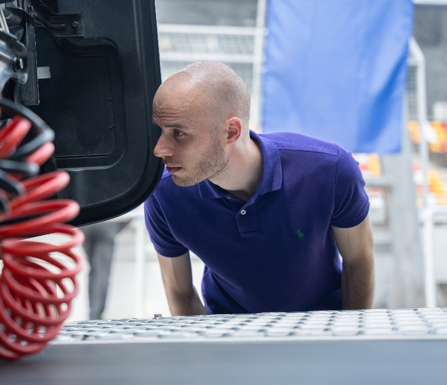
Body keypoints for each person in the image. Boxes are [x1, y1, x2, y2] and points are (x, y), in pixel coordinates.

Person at [145, 61, 375, 315]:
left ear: (231, 131)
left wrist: (348, 345)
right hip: (226, 333)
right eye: (160, 130)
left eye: (179, 133)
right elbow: (180, 292)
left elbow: (358, 262)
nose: (159, 149)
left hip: (322, 327)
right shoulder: (164, 194)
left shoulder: (329, 171)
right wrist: (206, 351)